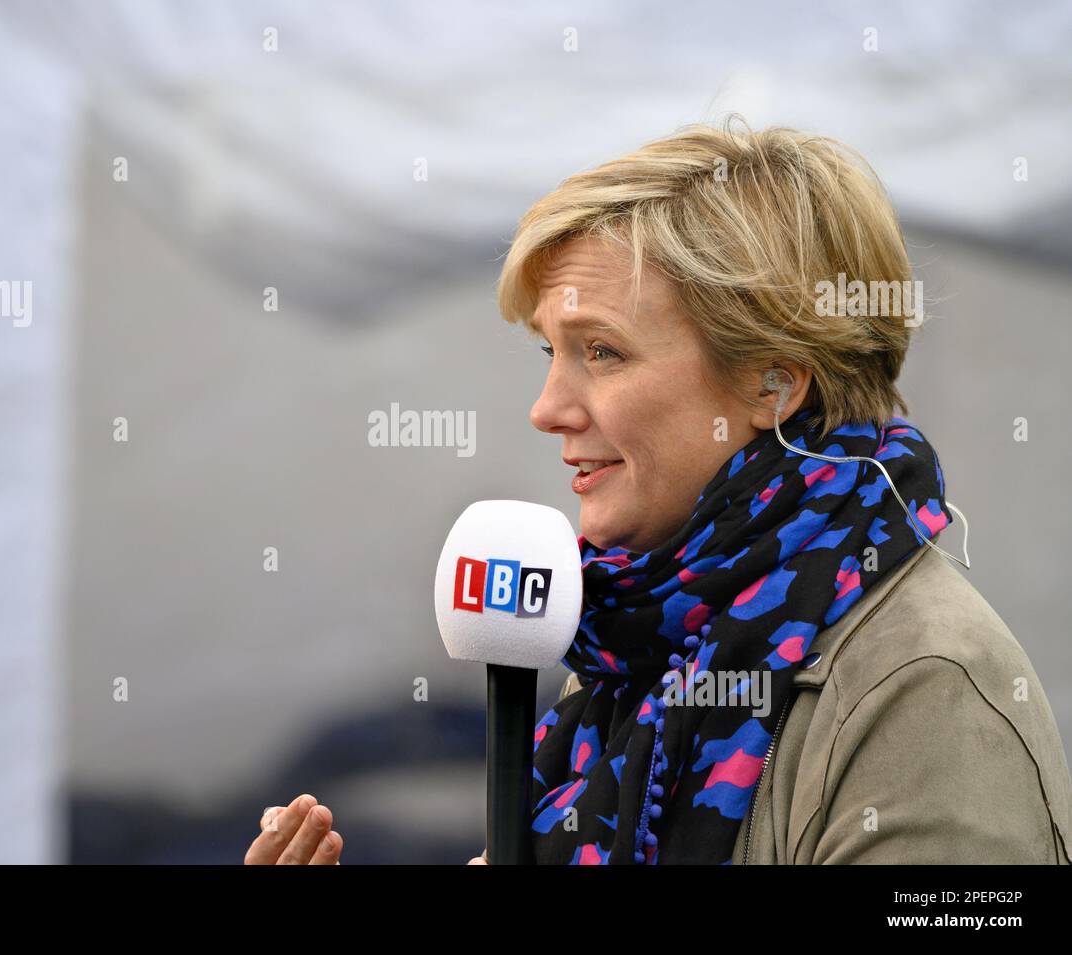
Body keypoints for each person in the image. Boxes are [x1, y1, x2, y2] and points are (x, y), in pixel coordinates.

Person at [245, 117, 1072, 865]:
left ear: (773, 385)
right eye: (550, 355)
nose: (546, 411)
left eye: (602, 351)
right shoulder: (634, 643)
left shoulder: (924, 691)